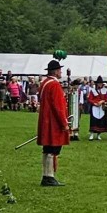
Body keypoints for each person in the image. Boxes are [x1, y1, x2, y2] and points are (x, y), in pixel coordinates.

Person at [37, 59, 69, 187]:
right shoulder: (54, 85)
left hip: (46, 119)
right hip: (53, 121)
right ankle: (49, 176)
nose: (61, 72)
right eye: (60, 70)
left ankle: (46, 175)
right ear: (55, 72)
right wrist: (64, 123)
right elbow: (58, 106)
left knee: (47, 149)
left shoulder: (45, 83)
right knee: (53, 148)